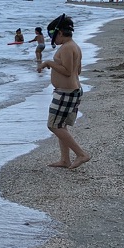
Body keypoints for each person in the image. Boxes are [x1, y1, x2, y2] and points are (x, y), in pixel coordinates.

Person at [37, 15, 90, 169]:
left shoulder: (67, 47)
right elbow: (77, 70)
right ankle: (65, 160)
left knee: (53, 125)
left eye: (54, 37)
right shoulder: (74, 46)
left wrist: (48, 63)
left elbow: (67, 71)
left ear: (60, 33)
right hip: (71, 90)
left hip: (66, 93)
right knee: (61, 125)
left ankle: (81, 154)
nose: (54, 41)